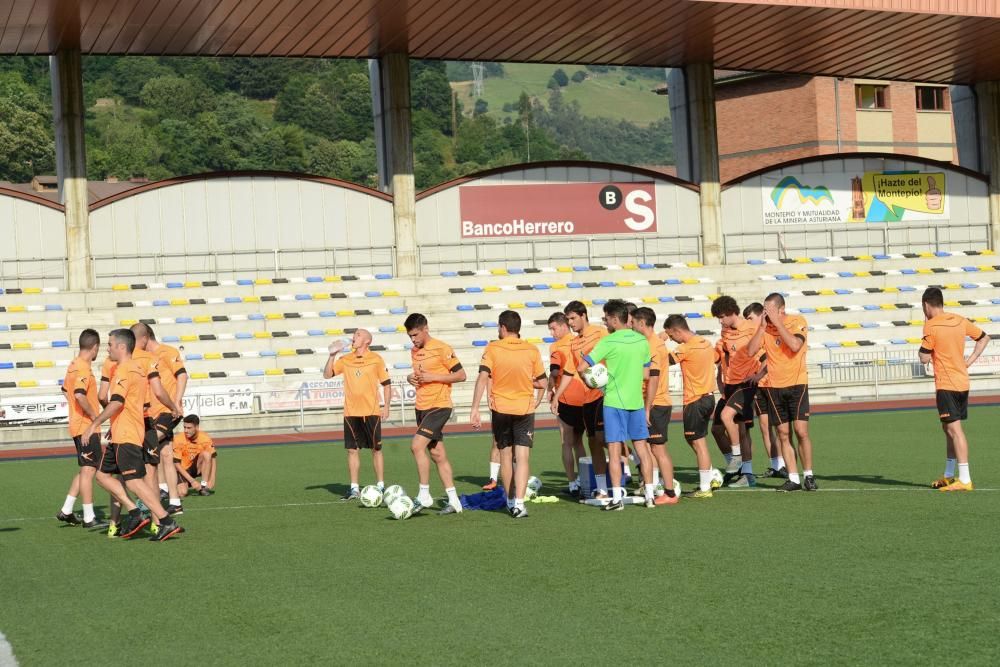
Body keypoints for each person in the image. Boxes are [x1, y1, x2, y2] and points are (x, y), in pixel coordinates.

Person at [82, 329, 183, 541]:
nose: (107, 348)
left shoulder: (124, 370)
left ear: (121, 346)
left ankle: (164, 520)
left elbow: (116, 401)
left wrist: (95, 423)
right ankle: (136, 512)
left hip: (126, 432)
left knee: (134, 481)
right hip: (126, 429)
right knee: (102, 475)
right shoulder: (137, 368)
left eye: (109, 344)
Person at [575, 300, 652, 511]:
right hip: (636, 401)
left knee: (615, 451)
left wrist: (594, 382)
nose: (605, 321)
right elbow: (647, 373)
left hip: (614, 402)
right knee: (643, 450)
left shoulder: (608, 342)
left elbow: (582, 367)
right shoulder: (642, 341)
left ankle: (616, 498)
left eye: (606, 318)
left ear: (615, 319)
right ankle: (650, 496)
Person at [469, 310, 547, 518]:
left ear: (502, 328)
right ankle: (519, 505)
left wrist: (475, 408)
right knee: (522, 458)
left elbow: (483, 377)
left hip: (501, 409)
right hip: (524, 409)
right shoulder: (532, 350)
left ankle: (510, 500)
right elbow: (543, 383)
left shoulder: (493, 348)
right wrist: (534, 398)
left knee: (505, 455)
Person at [918, 287, 989, 491]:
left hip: (947, 384)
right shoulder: (959, 319)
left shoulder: (931, 326)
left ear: (926, 305)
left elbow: (923, 357)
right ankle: (949, 475)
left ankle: (965, 479)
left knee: (955, 430)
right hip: (962, 382)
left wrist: (924, 334)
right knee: (947, 428)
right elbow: (984, 337)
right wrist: (970, 361)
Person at [748, 293, 816, 492]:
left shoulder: (797, 321)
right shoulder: (765, 328)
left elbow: (795, 345)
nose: (766, 314)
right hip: (774, 387)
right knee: (783, 434)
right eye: (764, 310)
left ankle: (809, 475)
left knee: (801, 432)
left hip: (797, 385)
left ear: (781, 310)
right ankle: (793, 478)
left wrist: (778, 324)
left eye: (769, 310)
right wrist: (761, 328)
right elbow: (751, 351)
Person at [404, 313, 466, 515]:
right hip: (421, 406)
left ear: (425, 329)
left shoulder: (442, 348)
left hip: (439, 406)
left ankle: (424, 494)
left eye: (415, 335)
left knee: (416, 446)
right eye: (410, 336)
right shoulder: (415, 351)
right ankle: (455, 501)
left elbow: (461, 375)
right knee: (437, 454)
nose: (413, 339)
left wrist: (433, 377)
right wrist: (410, 378)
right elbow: (419, 374)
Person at [323, 329, 392, 500]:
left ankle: (381, 486)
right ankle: (354, 489)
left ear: (367, 341)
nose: (354, 336)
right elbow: (327, 375)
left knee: (376, 449)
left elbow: (386, 384)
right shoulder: (345, 359)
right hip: (351, 412)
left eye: (358, 335)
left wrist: (387, 406)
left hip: (372, 412)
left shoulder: (376, 359)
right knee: (352, 450)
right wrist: (332, 356)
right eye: (354, 334)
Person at [550, 301, 608, 498]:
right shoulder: (574, 343)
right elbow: (569, 370)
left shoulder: (600, 333)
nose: (571, 323)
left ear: (584, 315)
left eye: (573, 318)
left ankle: (636, 469)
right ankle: (601, 488)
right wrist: (556, 395)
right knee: (593, 442)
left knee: (606, 439)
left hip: (606, 394)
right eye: (568, 319)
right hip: (587, 398)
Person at [132, 323, 187, 515]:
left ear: (145, 337)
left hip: (168, 412)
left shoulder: (167, 352)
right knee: (165, 454)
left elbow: (182, 376)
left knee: (144, 445)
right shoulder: (144, 358)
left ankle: (146, 498)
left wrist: (177, 402)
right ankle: (174, 501)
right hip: (152, 414)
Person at [663, 314, 718, 499]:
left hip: (695, 399)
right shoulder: (705, 342)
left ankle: (705, 487)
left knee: (698, 442)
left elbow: (662, 361)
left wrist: (658, 341)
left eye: (671, 336)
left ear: (677, 331)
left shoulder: (686, 348)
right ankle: (710, 475)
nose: (671, 339)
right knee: (693, 439)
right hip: (708, 397)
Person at [711, 296, 763, 488]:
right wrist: (721, 379)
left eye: (722, 317)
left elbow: (763, 354)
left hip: (746, 383)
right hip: (730, 384)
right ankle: (738, 469)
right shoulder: (725, 331)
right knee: (716, 429)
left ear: (732, 313)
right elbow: (725, 355)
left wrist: (759, 375)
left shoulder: (751, 329)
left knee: (736, 425)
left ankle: (742, 466)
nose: (720, 321)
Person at [631, 307, 679, 505]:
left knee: (658, 450)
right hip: (653, 402)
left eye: (633, 322)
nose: (631, 325)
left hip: (656, 403)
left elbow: (653, 379)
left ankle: (669, 493)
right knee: (651, 448)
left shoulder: (653, 346)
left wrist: (647, 408)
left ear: (642, 323)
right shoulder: (651, 343)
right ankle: (656, 486)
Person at [55, 329, 103, 527]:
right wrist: (93, 417)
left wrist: (76, 414)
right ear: (95, 347)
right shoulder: (82, 368)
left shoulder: (73, 365)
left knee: (85, 468)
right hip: (86, 428)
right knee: (90, 470)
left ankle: (67, 509)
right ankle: (89, 516)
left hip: (77, 425)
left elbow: (66, 391)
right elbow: (79, 395)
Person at [743, 302, 788, 478]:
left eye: (750, 318)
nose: (748, 322)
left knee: (781, 428)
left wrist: (759, 374)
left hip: (774, 384)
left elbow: (771, 358)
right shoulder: (755, 336)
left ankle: (785, 464)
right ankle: (775, 465)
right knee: (764, 427)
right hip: (760, 387)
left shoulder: (769, 332)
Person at [546, 311, 585, 496]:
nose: (552, 333)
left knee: (566, 442)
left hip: (567, 397)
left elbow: (554, 373)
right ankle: (586, 480)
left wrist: (549, 390)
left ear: (563, 326)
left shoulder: (556, 347)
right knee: (580, 442)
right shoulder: (579, 340)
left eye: (553, 328)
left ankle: (572, 484)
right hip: (586, 396)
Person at [173, 415, 217, 497]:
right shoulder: (178, 439)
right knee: (182, 493)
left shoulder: (205, 438)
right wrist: (192, 481)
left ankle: (203, 486)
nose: (186, 430)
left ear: (196, 427)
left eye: (189, 428)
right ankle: (169, 486)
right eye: (184, 427)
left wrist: (212, 479)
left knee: (206, 454)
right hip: (182, 470)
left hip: (196, 467)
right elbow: (176, 464)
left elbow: (213, 457)